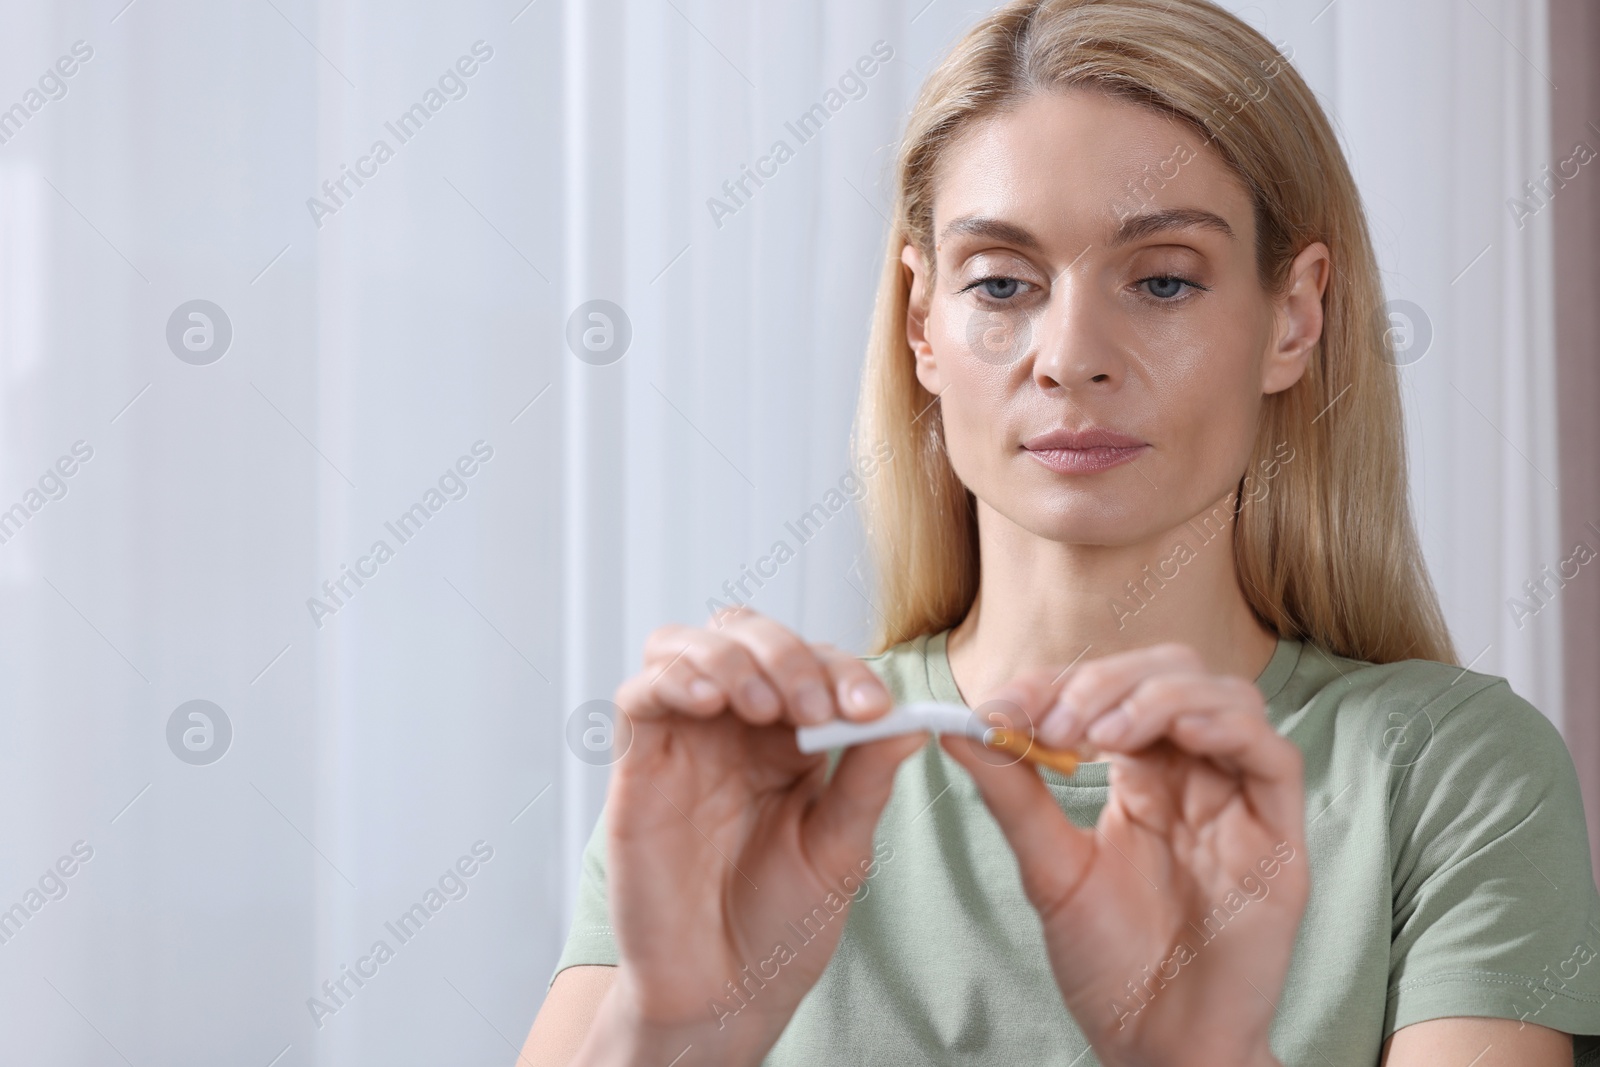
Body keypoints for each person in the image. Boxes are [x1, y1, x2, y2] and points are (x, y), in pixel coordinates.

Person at [523, 0, 1600, 1063]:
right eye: (1001, 283)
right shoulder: (746, 786)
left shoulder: (1445, 773)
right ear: (920, 324)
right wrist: (669, 1036)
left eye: (1164, 279)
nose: (1070, 354)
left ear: (1293, 317)